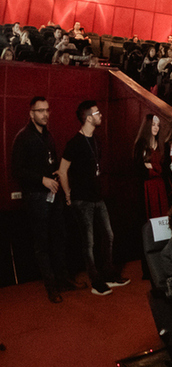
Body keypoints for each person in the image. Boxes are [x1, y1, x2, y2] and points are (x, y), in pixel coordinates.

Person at [11, 96, 78, 302]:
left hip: (53, 195)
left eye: (47, 110)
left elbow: (50, 162)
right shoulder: (23, 137)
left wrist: (55, 172)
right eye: (41, 111)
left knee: (59, 237)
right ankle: (51, 287)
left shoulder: (48, 136)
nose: (45, 114)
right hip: (36, 197)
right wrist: (42, 179)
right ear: (31, 114)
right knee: (42, 243)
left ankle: (63, 279)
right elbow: (17, 170)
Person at [58, 100, 128, 295]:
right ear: (88, 118)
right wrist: (68, 194)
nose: (100, 115)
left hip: (98, 198)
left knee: (108, 235)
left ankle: (109, 275)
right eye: (97, 113)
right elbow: (62, 171)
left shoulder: (96, 141)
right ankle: (96, 281)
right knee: (88, 242)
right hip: (82, 200)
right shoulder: (74, 143)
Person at [134, 113, 167, 218]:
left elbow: (164, 168)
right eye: (153, 124)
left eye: (158, 125)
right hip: (147, 187)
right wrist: (155, 169)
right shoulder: (141, 144)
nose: (156, 127)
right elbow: (139, 168)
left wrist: (152, 166)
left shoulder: (161, 144)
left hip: (160, 186)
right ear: (148, 125)